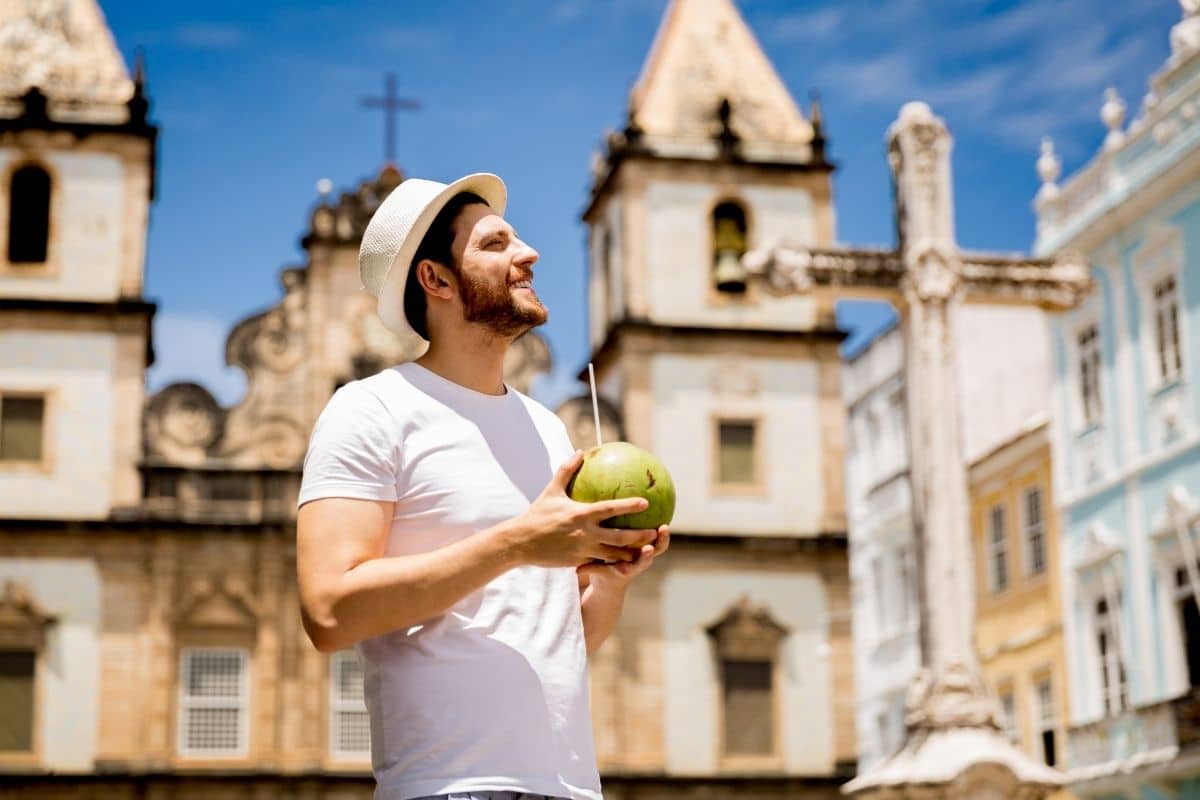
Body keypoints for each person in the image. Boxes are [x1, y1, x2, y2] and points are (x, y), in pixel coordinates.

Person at [296, 172, 670, 800]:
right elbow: (329, 611)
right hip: (450, 788)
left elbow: (562, 637)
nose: (529, 254)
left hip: (572, 788)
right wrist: (517, 544)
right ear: (436, 280)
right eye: (496, 244)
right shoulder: (371, 409)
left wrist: (608, 578)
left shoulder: (550, 430)